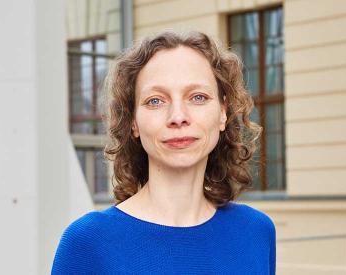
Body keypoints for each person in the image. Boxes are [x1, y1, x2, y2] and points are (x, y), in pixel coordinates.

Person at [51, 30, 276, 274]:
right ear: (133, 122)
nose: (178, 117)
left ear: (223, 112)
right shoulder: (88, 244)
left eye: (197, 97)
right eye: (156, 101)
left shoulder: (256, 232)